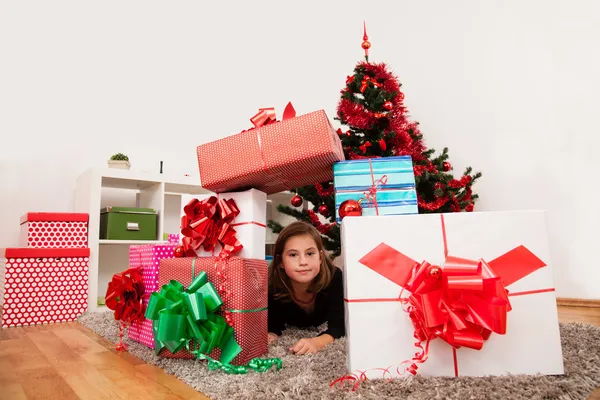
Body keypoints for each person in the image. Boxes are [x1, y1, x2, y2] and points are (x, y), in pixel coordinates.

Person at [268, 221, 345, 355]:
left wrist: (318, 342)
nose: (303, 262)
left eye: (310, 254)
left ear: (320, 257)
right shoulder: (272, 285)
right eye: (293, 255)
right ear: (281, 261)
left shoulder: (335, 277)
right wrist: (271, 333)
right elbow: (273, 323)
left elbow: (340, 325)